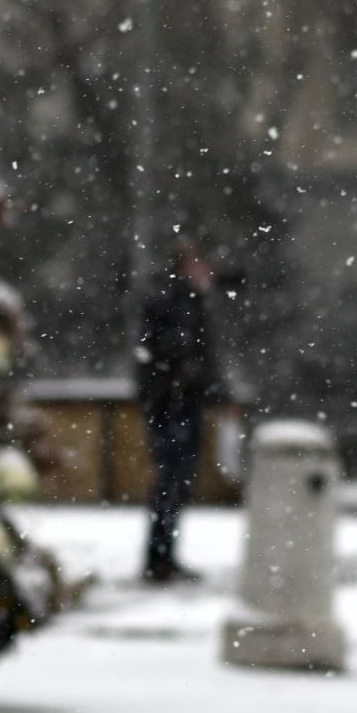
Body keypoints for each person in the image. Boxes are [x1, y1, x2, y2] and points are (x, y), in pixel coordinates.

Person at [134, 241, 219, 583]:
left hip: (172, 400)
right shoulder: (181, 302)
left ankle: (162, 555)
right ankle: (160, 557)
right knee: (172, 481)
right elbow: (181, 352)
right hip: (174, 403)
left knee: (172, 482)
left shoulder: (176, 300)